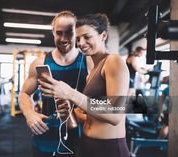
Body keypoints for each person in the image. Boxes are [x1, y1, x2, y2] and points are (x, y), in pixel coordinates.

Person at [38, 13, 130, 157]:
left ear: (103, 36)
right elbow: (94, 116)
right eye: (78, 38)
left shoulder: (113, 61)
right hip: (87, 144)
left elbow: (115, 113)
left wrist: (71, 94)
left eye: (87, 37)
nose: (81, 43)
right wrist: (71, 111)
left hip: (108, 148)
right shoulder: (93, 71)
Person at [18, 11, 92, 157]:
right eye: (59, 33)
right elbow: (24, 94)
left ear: (76, 33)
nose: (63, 39)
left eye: (69, 33)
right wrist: (30, 114)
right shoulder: (40, 64)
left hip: (81, 138)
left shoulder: (89, 62)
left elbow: (111, 105)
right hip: (46, 136)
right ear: (53, 32)